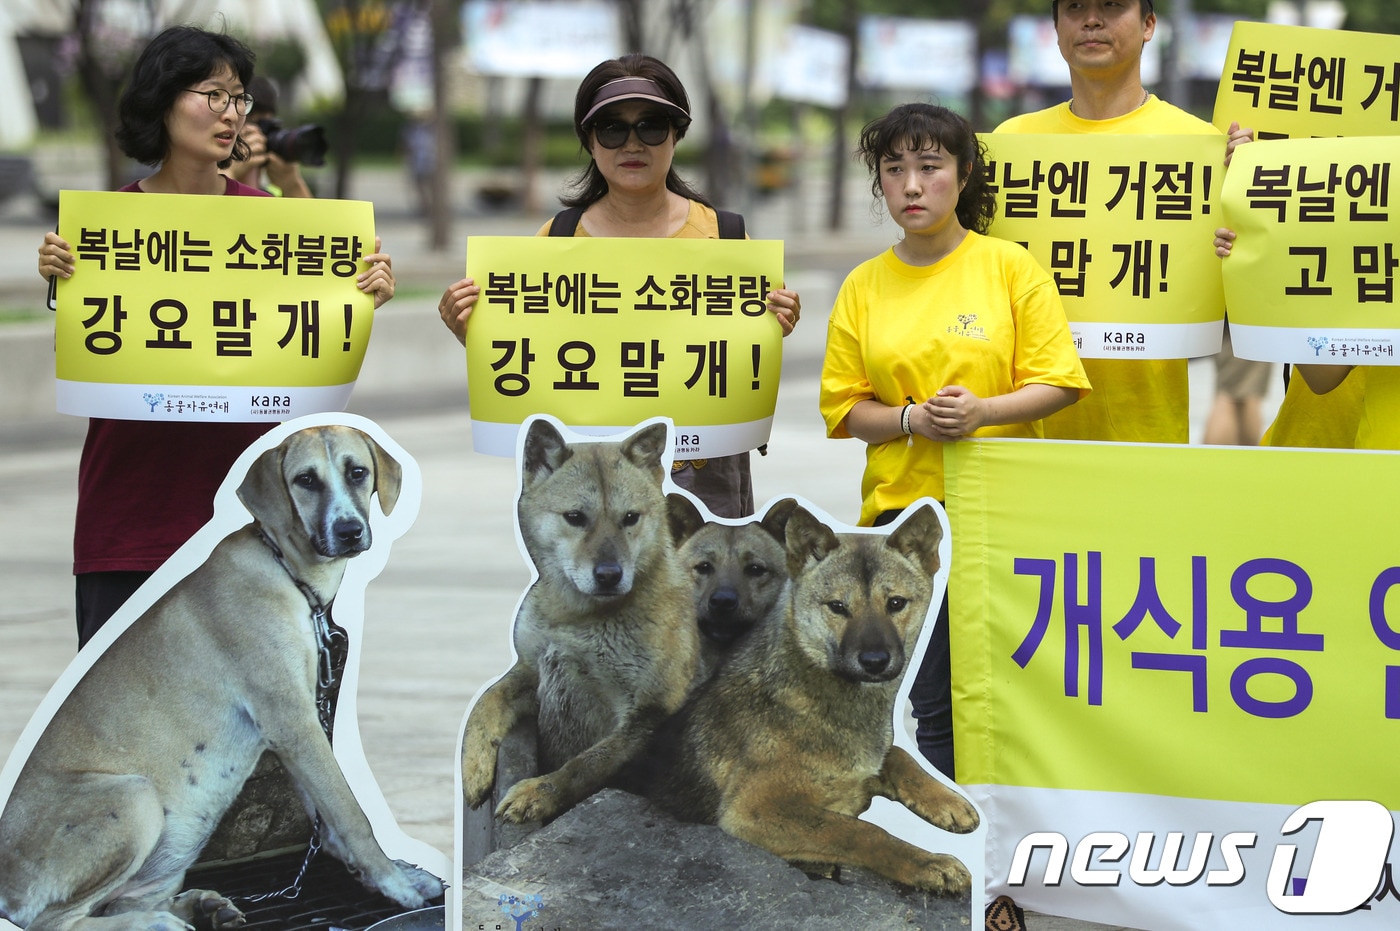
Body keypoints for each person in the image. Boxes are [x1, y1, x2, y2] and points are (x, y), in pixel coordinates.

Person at [37, 25, 396, 647]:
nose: (231, 114)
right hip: (131, 518)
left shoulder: (279, 228)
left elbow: (313, 352)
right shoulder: (104, 230)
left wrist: (361, 294)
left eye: (239, 99)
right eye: (213, 94)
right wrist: (59, 276)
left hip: (256, 526)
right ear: (162, 99)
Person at [819, 103, 1090, 781]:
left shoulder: (1010, 268)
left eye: (930, 167)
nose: (911, 186)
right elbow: (848, 407)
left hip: (1003, 516)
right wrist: (911, 420)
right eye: (894, 169)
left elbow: (1060, 380)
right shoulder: (863, 284)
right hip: (903, 532)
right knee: (932, 701)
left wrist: (984, 412)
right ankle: (963, 852)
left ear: (964, 174)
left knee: (1015, 696)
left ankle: (1010, 850)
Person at [436, 54, 801, 519]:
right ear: (589, 141)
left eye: (652, 125)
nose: (633, 143)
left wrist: (777, 323)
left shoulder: (727, 240)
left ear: (676, 134)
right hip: (595, 492)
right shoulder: (557, 240)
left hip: (702, 480)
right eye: (612, 128)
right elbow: (527, 357)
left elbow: (747, 354)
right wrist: (469, 326)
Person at [994, 0, 1250, 444]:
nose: (1092, 20)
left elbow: (1244, 275)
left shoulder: (1204, 147)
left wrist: (1253, 188)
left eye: (1112, 5)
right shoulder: (1009, 144)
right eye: (1074, 8)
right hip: (1021, 431)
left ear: (1149, 24)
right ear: (1055, 30)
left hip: (1146, 429)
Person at [226, 74, 313, 198]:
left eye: (267, 127)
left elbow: (309, 217)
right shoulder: (201, 185)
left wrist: (292, 185)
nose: (260, 136)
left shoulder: (271, 195)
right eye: (252, 125)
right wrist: (229, 172)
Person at [1203, 318, 1274, 446]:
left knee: (1236, 394)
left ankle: (1240, 461)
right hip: (1248, 314)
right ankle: (1215, 461)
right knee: (1236, 396)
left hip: (1229, 316)